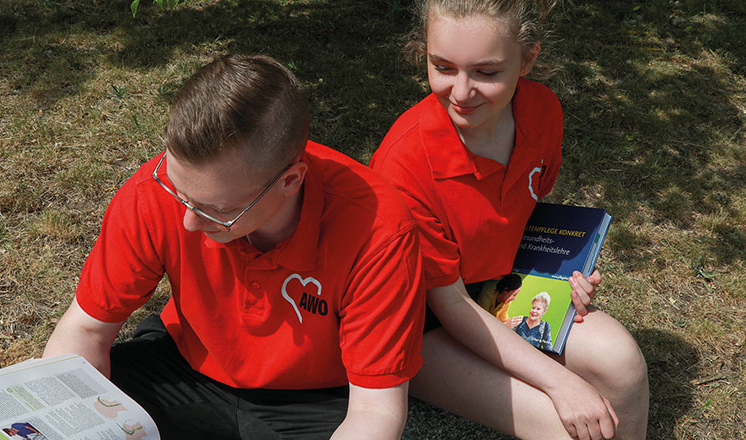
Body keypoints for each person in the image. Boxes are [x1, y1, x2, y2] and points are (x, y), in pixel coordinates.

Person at [43, 54, 425, 439]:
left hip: (315, 400)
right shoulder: (152, 191)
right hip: (180, 366)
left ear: (290, 181)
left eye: (218, 210)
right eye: (180, 193)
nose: (189, 220)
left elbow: (375, 409)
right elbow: (87, 330)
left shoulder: (379, 232)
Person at [369, 1, 649, 439]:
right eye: (442, 66)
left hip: (491, 290)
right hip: (418, 328)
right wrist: (559, 382)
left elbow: (528, 220)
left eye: (486, 72)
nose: (461, 92)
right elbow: (451, 306)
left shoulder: (542, 111)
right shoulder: (404, 166)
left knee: (623, 364)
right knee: (565, 427)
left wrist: (560, 277)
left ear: (528, 59)